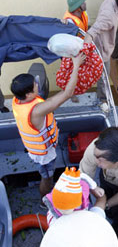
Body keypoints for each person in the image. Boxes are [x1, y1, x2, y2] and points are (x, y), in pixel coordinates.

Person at [10, 52, 85, 202]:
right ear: (29, 94)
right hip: (44, 155)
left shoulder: (17, 100)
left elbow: (47, 102)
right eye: (35, 85)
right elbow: (68, 93)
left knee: (46, 175)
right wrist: (76, 65)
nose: (38, 84)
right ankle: (45, 201)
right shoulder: (37, 111)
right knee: (47, 179)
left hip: (35, 149)